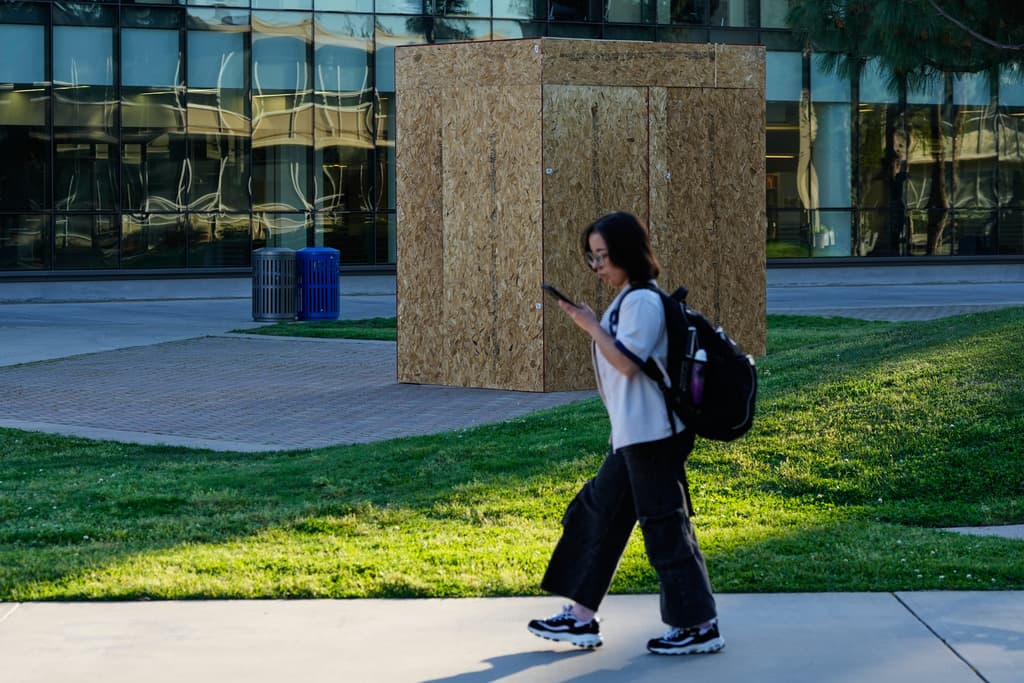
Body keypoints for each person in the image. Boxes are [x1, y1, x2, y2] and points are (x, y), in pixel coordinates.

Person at [527, 211, 724, 656]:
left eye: (603, 256)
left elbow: (628, 363)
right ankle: (580, 617)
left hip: (653, 437)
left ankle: (700, 625)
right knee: (599, 514)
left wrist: (590, 325)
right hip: (633, 437)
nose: (597, 266)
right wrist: (594, 322)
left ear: (627, 254)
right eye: (591, 257)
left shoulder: (642, 302)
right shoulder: (627, 299)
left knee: (664, 526)